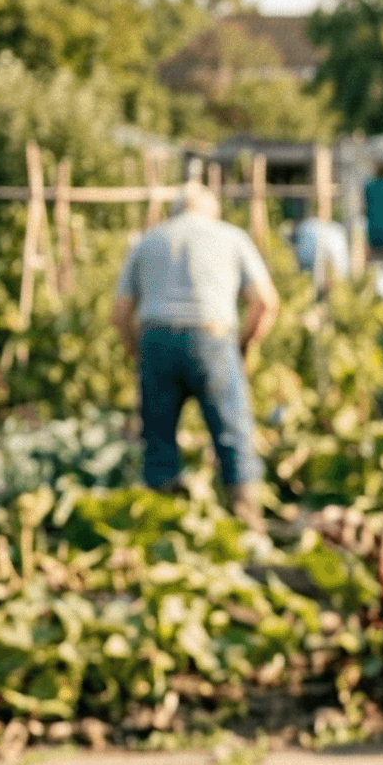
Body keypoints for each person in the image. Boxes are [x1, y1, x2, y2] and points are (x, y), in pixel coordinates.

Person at [112, 183, 277, 518]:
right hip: (212, 336)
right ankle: (247, 520)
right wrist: (243, 345)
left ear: (174, 211)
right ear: (212, 210)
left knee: (158, 440)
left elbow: (119, 313)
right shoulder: (231, 237)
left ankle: (164, 523)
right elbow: (266, 303)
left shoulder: (148, 241)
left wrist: (137, 353)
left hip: (156, 338)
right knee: (232, 432)